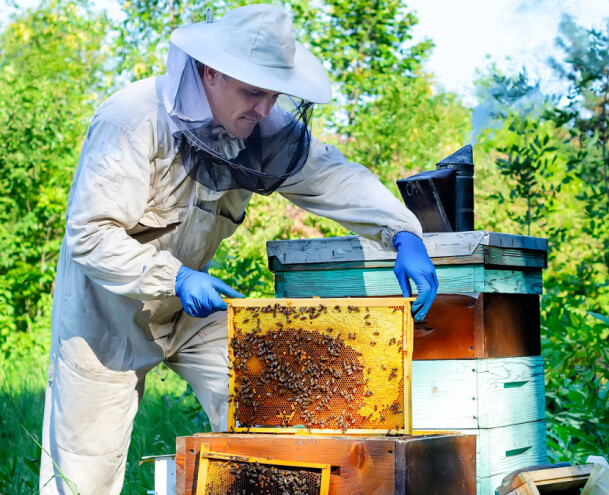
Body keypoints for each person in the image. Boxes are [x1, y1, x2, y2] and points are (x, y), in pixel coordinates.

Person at [38, 4, 438, 493]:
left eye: (273, 94)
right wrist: (176, 278)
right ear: (211, 72)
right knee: (85, 470)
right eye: (253, 92)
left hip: (190, 308)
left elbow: (332, 175)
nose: (265, 109)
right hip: (106, 310)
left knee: (270, 398)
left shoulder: (260, 129)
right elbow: (90, 234)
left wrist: (402, 232)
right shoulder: (132, 120)